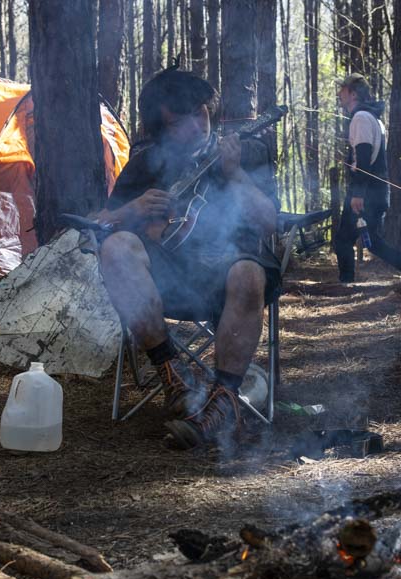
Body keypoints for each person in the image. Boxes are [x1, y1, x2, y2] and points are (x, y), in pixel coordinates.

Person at [95, 68, 280, 451]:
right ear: (161, 130)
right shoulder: (147, 162)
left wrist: (236, 174)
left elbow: (270, 221)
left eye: (201, 112)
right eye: (181, 122)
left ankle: (221, 403)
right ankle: (172, 376)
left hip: (231, 273)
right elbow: (99, 223)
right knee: (115, 248)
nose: (197, 126)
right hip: (172, 279)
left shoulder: (247, 150)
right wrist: (133, 208)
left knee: (248, 272)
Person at [335, 74, 390, 283]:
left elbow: (364, 159)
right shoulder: (371, 117)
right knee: (374, 243)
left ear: (353, 93)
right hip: (375, 191)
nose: (339, 93)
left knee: (342, 239)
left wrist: (358, 194)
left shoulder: (361, 118)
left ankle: (346, 285)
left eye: (343, 89)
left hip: (366, 192)